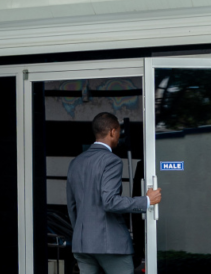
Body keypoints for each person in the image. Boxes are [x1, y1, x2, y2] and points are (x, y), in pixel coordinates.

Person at [66, 112, 162, 274]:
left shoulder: (76, 162)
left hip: (82, 244)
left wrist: (82, 235)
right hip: (109, 244)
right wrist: (146, 200)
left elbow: (72, 206)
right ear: (112, 132)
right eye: (118, 132)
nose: (119, 136)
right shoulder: (112, 161)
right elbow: (110, 201)